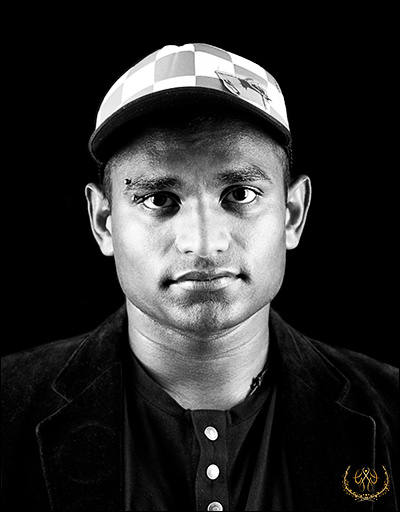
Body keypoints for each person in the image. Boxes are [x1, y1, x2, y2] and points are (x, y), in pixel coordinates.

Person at [1, 43, 398, 511]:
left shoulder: (390, 408)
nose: (204, 243)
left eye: (240, 194)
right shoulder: (7, 408)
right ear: (103, 221)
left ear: (293, 213)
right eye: (159, 199)